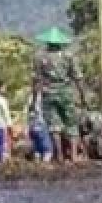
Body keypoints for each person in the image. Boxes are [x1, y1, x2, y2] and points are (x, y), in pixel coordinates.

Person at [34, 27, 86, 162]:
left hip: (48, 93)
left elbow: (37, 80)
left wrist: (35, 99)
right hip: (65, 92)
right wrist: (82, 95)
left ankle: (59, 155)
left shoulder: (40, 57)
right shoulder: (68, 56)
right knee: (71, 124)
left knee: (54, 126)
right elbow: (77, 77)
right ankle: (74, 156)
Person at [25, 89, 52, 162]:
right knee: (47, 149)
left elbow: (28, 112)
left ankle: (37, 161)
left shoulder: (30, 97)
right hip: (41, 124)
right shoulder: (41, 97)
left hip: (32, 125)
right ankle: (44, 163)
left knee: (37, 146)